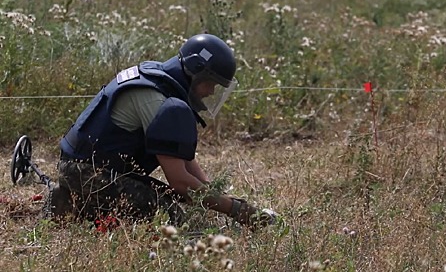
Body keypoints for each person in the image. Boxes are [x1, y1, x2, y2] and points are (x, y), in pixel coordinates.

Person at [44, 33, 276, 229]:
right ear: (196, 71)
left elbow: (185, 163)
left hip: (89, 167)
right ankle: (72, 205)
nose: (211, 92)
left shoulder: (157, 81)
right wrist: (238, 211)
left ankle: (75, 200)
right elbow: (180, 182)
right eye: (211, 83)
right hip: (89, 173)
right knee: (169, 218)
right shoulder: (157, 101)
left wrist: (215, 194)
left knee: (165, 202)